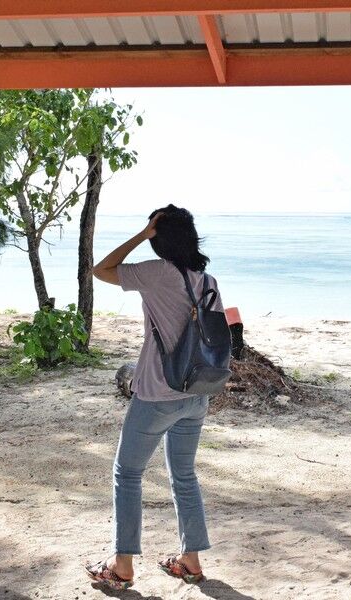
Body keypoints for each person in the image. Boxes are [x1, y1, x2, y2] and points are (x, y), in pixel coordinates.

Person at [86, 204, 221, 590]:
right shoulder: (207, 279)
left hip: (158, 393)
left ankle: (122, 565)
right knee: (184, 475)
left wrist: (143, 236)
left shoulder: (157, 272)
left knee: (127, 473)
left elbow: (102, 269)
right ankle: (190, 560)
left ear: (160, 237)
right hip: (197, 392)